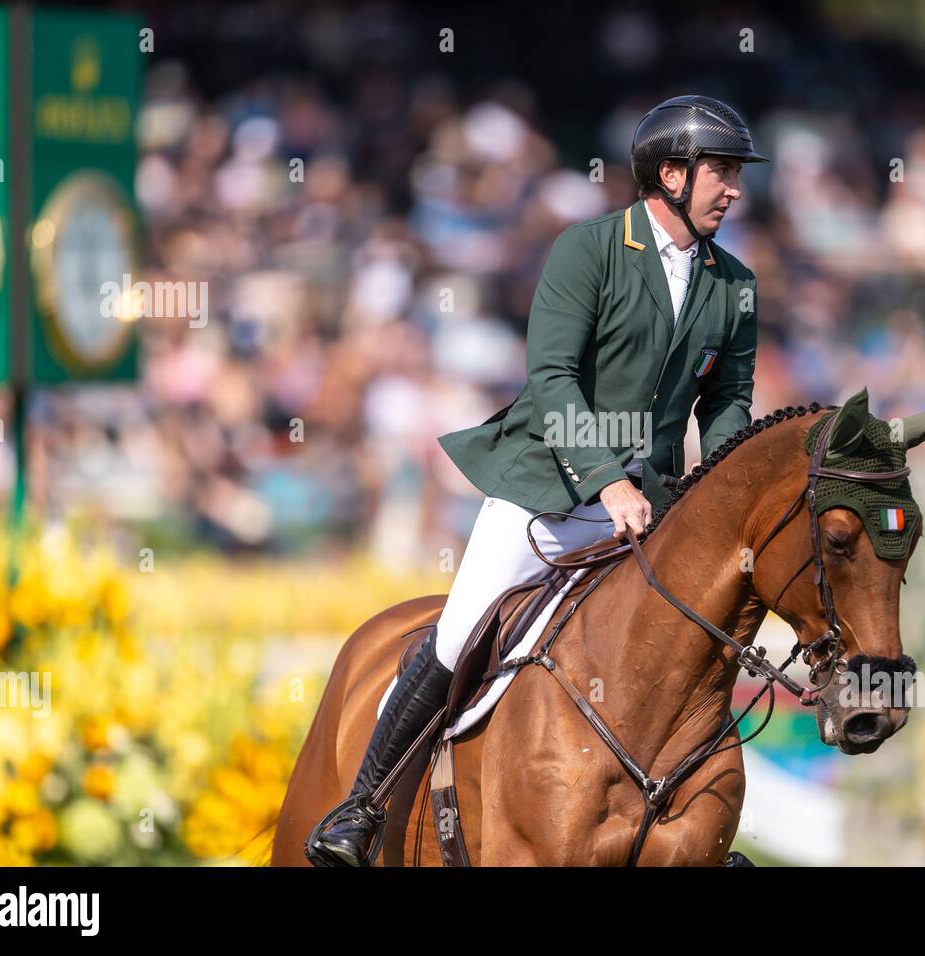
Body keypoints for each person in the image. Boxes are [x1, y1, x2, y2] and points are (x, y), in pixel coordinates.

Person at [305, 94, 767, 866]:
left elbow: (728, 404)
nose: (734, 189)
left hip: (651, 509)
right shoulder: (587, 249)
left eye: (733, 173)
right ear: (669, 175)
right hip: (545, 493)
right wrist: (604, 482)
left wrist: (716, 498)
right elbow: (552, 379)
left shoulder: (735, 284)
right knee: (459, 632)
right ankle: (362, 806)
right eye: (721, 171)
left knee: (686, 652)